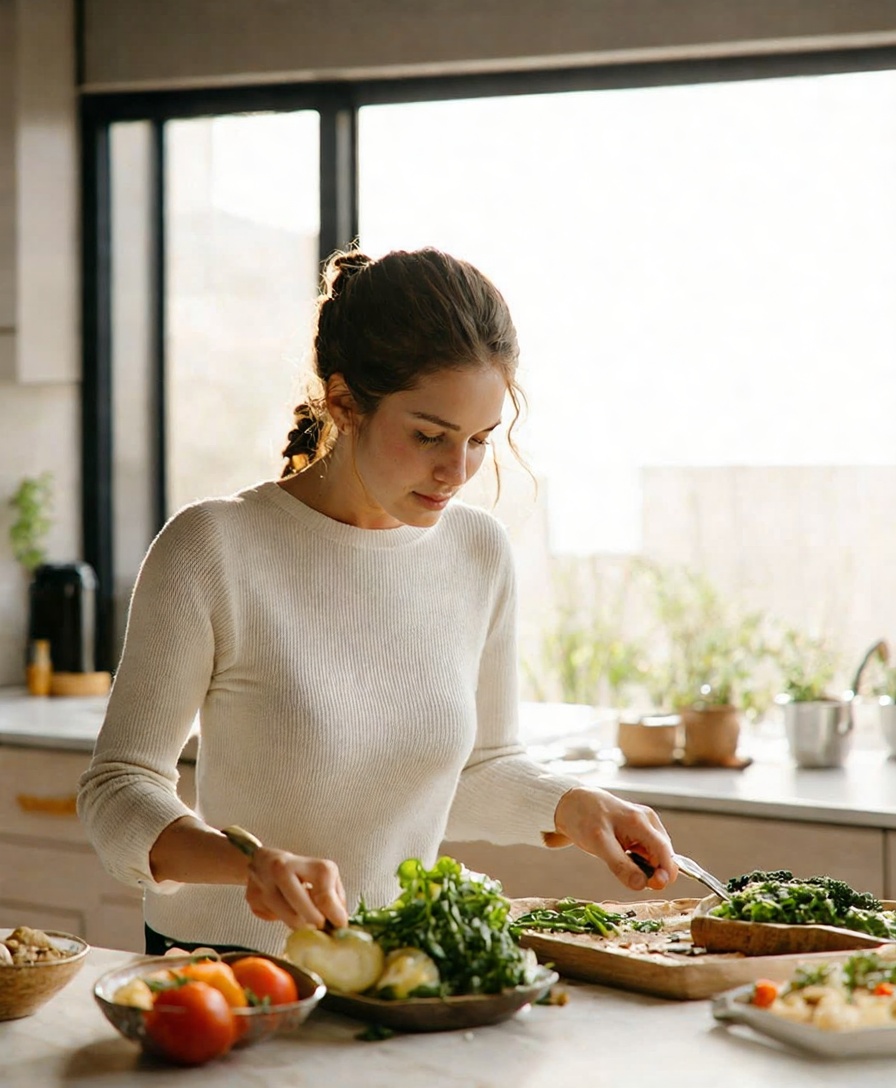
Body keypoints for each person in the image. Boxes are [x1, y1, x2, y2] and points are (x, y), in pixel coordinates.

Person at [78, 246, 679, 957]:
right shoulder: (214, 547)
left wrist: (570, 805)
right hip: (227, 973)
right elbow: (118, 788)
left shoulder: (477, 553)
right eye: (429, 435)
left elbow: (478, 767)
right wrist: (248, 866)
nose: (456, 471)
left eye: (479, 440)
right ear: (343, 401)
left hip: (397, 966)